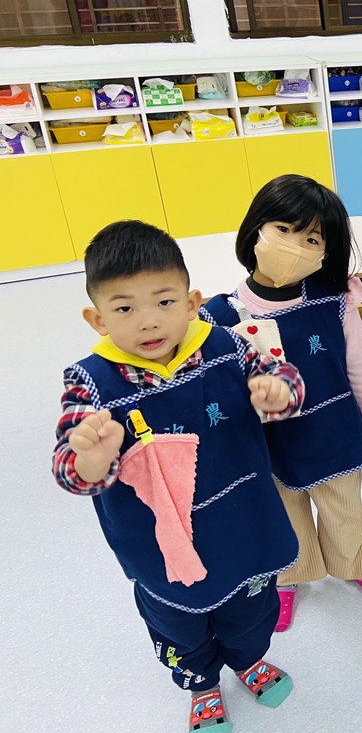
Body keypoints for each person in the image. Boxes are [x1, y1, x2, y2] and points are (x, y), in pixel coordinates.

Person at [52, 220, 304, 732]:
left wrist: (279, 392)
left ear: (191, 302)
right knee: (178, 625)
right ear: (97, 319)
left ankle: (248, 661)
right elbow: (70, 470)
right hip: (160, 548)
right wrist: (92, 458)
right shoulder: (89, 382)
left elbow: (286, 382)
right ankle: (202, 684)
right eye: (124, 308)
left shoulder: (228, 346)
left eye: (164, 302)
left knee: (251, 610)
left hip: (245, 524)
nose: (148, 321)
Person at [202, 175, 362, 629]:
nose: (294, 246)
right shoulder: (221, 317)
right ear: (256, 228)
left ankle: (359, 566)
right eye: (284, 230)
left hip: (335, 438)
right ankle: (290, 579)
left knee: (345, 514)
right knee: (284, 517)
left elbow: (361, 369)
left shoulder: (334, 301)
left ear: (326, 251)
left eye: (311, 239)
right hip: (270, 449)